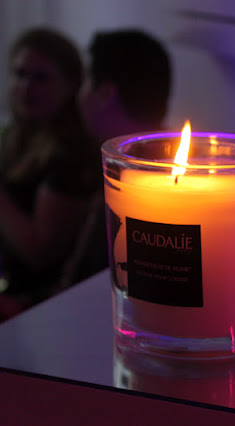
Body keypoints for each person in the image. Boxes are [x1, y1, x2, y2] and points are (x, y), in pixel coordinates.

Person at [0, 28, 101, 320]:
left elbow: (39, 253)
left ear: (71, 85)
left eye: (41, 78)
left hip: (39, 305)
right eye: (20, 74)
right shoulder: (15, 135)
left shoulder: (72, 155)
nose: (26, 87)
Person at [67, 29, 172, 292]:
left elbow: (81, 287)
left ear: (105, 94)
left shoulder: (127, 185)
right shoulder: (167, 164)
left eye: (85, 82)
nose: (79, 96)